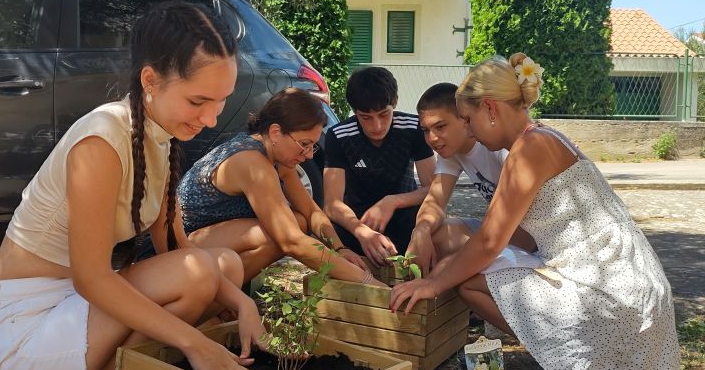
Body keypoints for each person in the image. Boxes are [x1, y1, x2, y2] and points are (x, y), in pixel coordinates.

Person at [0, 1, 270, 370]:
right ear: (150, 80)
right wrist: (196, 345)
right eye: (198, 101)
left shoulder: (160, 138)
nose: (211, 118)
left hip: (73, 313)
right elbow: (92, 279)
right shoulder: (103, 137)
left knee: (223, 264)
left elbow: (181, 250)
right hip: (27, 332)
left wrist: (243, 301)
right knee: (197, 273)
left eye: (221, 100)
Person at [390, 54, 689, 370]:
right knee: (466, 271)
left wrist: (433, 284)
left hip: (613, 294)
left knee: (468, 281)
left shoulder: (528, 149)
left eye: (468, 120)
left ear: (490, 109)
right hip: (623, 287)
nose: (468, 130)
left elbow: (490, 241)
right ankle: (574, 360)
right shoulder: (541, 137)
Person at [179, 87, 376, 285]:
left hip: (211, 241)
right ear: (275, 132)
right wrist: (367, 282)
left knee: (299, 221)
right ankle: (213, 294)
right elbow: (292, 241)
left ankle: (225, 289)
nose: (309, 154)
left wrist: (340, 249)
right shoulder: (252, 163)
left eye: (313, 146)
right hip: (183, 246)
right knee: (282, 233)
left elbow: (311, 212)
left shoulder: (276, 157)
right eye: (304, 144)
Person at [407, 82, 538, 277]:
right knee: (434, 237)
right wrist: (420, 230)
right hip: (499, 233)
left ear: (464, 119)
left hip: (534, 237)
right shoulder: (451, 151)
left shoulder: (499, 147)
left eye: (440, 127)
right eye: (426, 130)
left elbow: (527, 233)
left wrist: (462, 261)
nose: (432, 138)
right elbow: (434, 202)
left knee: (461, 271)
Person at [323, 67, 436, 266]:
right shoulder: (339, 135)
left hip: (404, 215)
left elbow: (434, 189)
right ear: (354, 111)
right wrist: (362, 231)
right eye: (366, 117)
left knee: (432, 222)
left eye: (384, 114)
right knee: (326, 230)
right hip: (358, 222)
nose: (377, 126)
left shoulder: (413, 127)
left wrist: (392, 201)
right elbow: (332, 204)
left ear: (395, 103)